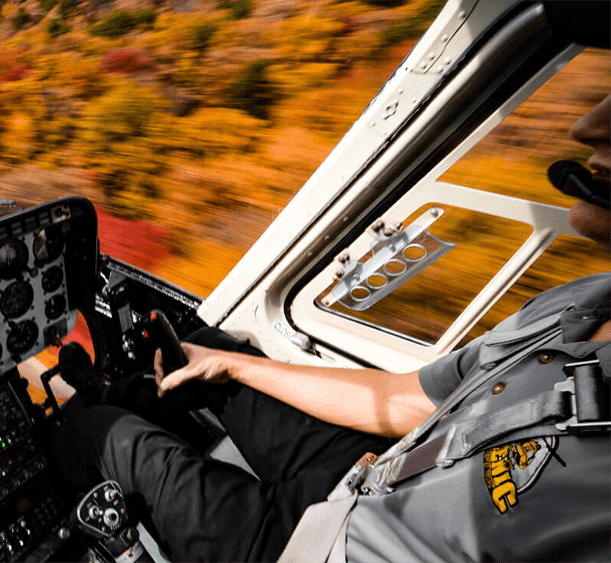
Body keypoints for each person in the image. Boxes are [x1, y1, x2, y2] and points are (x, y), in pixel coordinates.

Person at [50, 64, 611, 563]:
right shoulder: (579, 304)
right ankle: (104, 391)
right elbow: (402, 399)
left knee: (103, 433)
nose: (589, 125)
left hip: (325, 546)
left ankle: (78, 431)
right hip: (386, 464)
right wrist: (234, 369)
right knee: (207, 348)